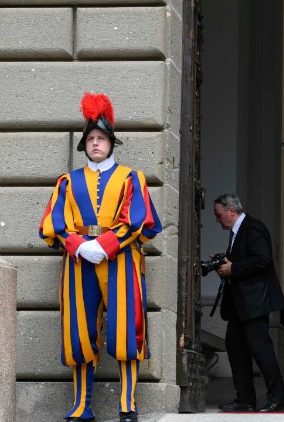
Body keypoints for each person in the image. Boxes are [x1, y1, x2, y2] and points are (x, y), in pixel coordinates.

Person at [39, 92, 162, 422]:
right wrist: (78, 244)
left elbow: (138, 220)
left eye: (101, 138)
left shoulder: (131, 178)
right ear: (85, 144)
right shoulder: (68, 181)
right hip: (79, 261)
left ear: (111, 142)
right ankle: (82, 405)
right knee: (79, 333)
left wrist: (105, 244)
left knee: (126, 331)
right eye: (91, 138)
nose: (96, 143)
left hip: (121, 259)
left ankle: (127, 403)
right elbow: (56, 223)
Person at [212, 194, 284, 412]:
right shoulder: (237, 231)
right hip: (239, 305)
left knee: (261, 350)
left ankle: (278, 399)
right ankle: (244, 399)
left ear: (231, 212)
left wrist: (232, 268)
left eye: (219, 215)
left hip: (255, 303)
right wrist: (226, 265)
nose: (218, 220)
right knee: (235, 349)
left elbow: (262, 260)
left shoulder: (253, 227)